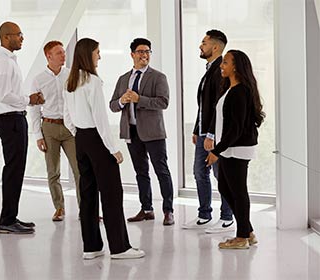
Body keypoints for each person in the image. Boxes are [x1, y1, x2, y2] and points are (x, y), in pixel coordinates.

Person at [63, 38, 145, 259]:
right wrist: (113, 149)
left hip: (81, 138)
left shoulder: (70, 81)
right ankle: (120, 248)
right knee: (112, 193)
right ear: (88, 55)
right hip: (97, 140)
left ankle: (91, 247)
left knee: (88, 193)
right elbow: (100, 119)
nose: (100, 56)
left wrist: (78, 134)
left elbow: (67, 116)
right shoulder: (92, 81)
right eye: (97, 52)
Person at [109, 38, 174, 226]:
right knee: (141, 172)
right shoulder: (123, 79)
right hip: (132, 131)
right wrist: (122, 100)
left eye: (147, 52)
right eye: (140, 51)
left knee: (162, 171)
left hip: (153, 133)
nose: (144, 55)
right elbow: (113, 105)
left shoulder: (158, 77)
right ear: (132, 54)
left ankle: (168, 211)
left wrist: (139, 99)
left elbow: (163, 102)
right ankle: (146, 209)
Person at [206, 49, 265, 249]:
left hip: (237, 148)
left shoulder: (240, 91)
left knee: (238, 192)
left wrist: (216, 150)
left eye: (225, 63)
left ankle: (241, 237)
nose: (222, 66)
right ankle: (247, 231)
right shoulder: (232, 89)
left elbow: (236, 128)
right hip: (230, 148)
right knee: (225, 187)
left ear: (236, 66)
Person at [0, 22, 44, 234]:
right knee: (13, 169)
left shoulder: (9, 61)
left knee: (16, 169)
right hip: (10, 120)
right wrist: (28, 99)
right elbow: (3, 95)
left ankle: (11, 217)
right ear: (6, 37)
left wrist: (27, 101)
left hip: (13, 118)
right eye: (18, 35)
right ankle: (7, 220)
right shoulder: (3, 62)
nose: (22, 38)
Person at [182, 30, 235, 233]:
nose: (200, 46)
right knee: (199, 172)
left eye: (203, 43)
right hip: (204, 132)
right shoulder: (209, 69)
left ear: (215, 47)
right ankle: (204, 214)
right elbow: (204, 105)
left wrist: (211, 134)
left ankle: (227, 217)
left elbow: (218, 106)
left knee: (220, 174)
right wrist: (198, 129)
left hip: (215, 134)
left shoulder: (221, 70)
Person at [30, 40, 80, 222]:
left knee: (79, 169)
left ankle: (86, 209)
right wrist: (38, 135)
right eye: (59, 53)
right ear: (48, 56)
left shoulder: (71, 76)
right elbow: (34, 109)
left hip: (70, 127)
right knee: (53, 171)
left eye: (63, 52)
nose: (63, 55)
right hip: (49, 127)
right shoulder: (38, 79)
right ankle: (59, 208)